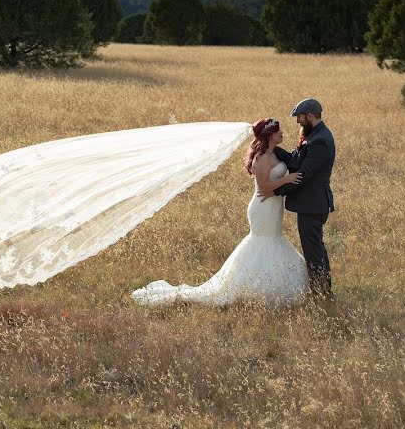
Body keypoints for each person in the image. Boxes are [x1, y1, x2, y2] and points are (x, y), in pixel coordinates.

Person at [131, 118, 309, 307]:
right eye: (278, 131)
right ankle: (249, 289)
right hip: (263, 207)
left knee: (274, 240)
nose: (282, 133)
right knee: (263, 242)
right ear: (270, 135)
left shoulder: (275, 154)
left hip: (273, 207)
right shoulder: (262, 158)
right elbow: (264, 188)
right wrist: (287, 179)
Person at [271, 98, 336, 299]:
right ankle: (323, 290)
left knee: (313, 251)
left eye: (299, 117)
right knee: (315, 247)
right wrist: (271, 148)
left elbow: (303, 175)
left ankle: (321, 293)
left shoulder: (320, 141)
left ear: (310, 116)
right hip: (310, 204)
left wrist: (274, 191)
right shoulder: (313, 136)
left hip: (313, 205)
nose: (297, 121)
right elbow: (296, 160)